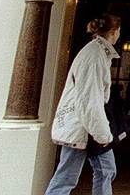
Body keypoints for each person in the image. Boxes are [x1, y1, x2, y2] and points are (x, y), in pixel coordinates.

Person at [45, 14, 122, 195]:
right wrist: (102, 134)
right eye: (119, 31)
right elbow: (89, 99)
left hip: (86, 125)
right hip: (81, 125)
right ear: (114, 31)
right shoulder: (94, 56)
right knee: (67, 177)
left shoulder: (97, 52)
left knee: (106, 170)